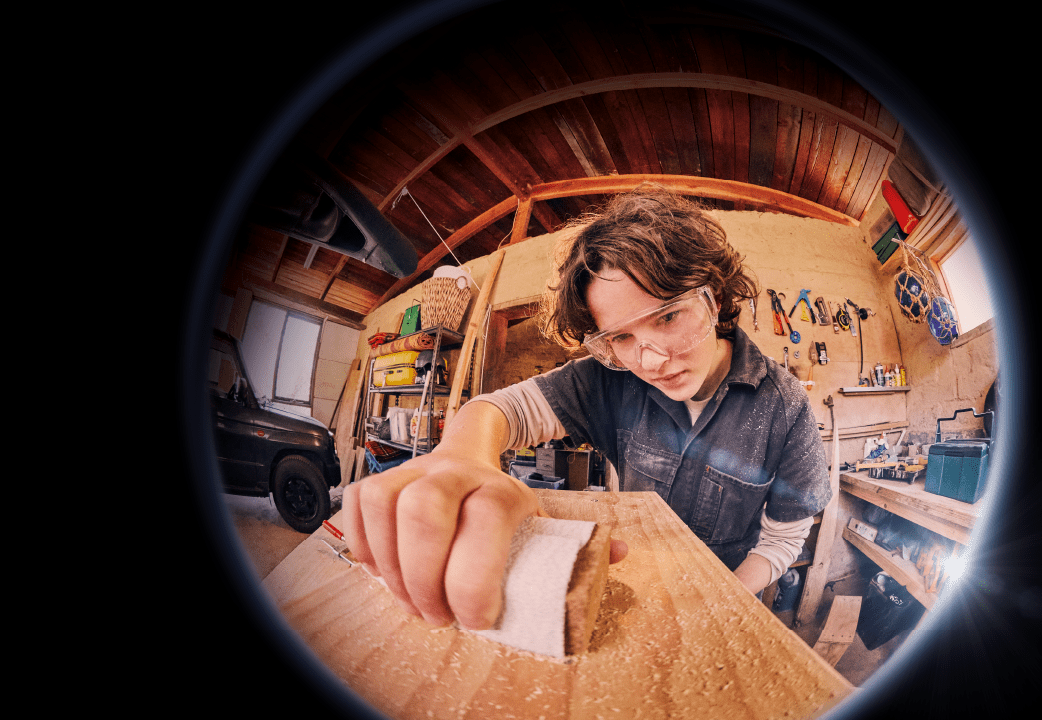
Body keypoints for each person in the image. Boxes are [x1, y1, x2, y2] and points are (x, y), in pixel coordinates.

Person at [343, 185, 831, 631]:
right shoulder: (612, 379)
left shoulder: (785, 407)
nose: (652, 360)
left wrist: (722, 601)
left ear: (715, 297)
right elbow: (504, 409)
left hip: (731, 606)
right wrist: (462, 455)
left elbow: (783, 539)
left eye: (668, 316)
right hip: (639, 589)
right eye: (621, 336)